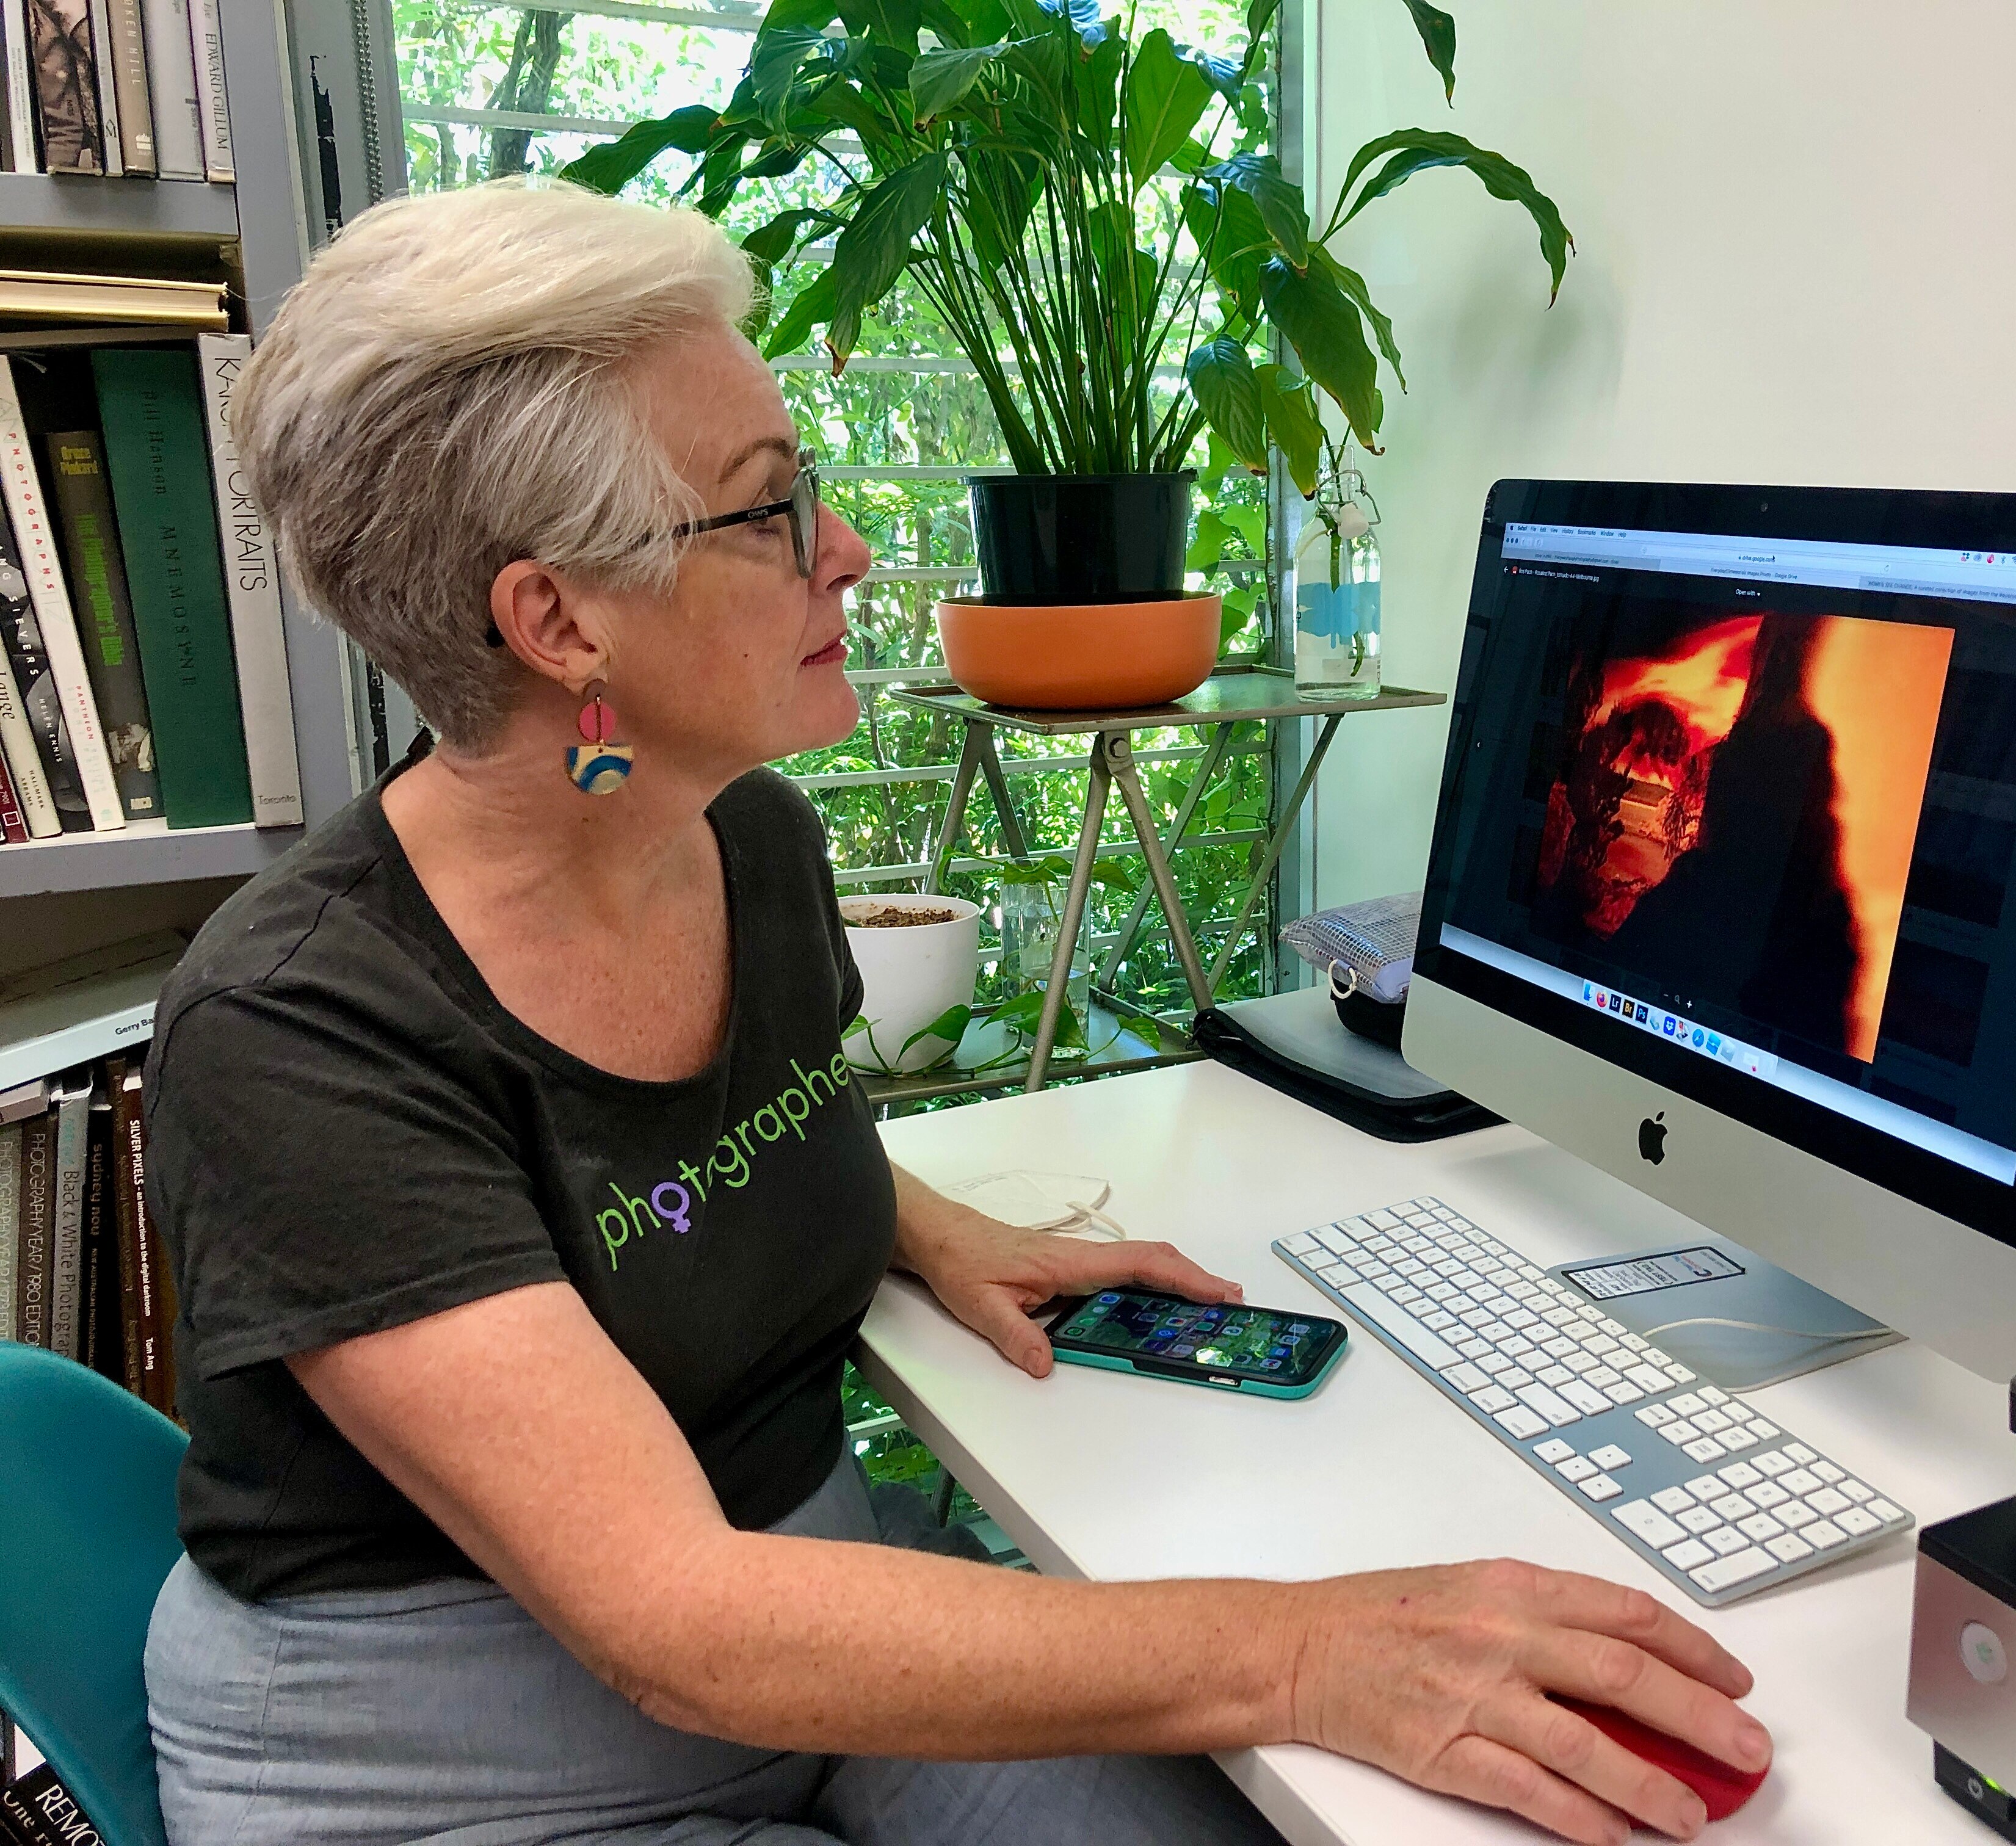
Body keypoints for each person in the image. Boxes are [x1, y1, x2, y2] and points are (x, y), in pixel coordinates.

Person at [140, 179, 1769, 1846]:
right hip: (472, 1767)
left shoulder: (749, 847)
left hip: (814, 1639)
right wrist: (1308, 1651)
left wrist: (913, 1221)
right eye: (772, 511)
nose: (846, 551)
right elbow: (679, 1623)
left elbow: (674, 1165)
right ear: (558, 621)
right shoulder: (298, 1033)